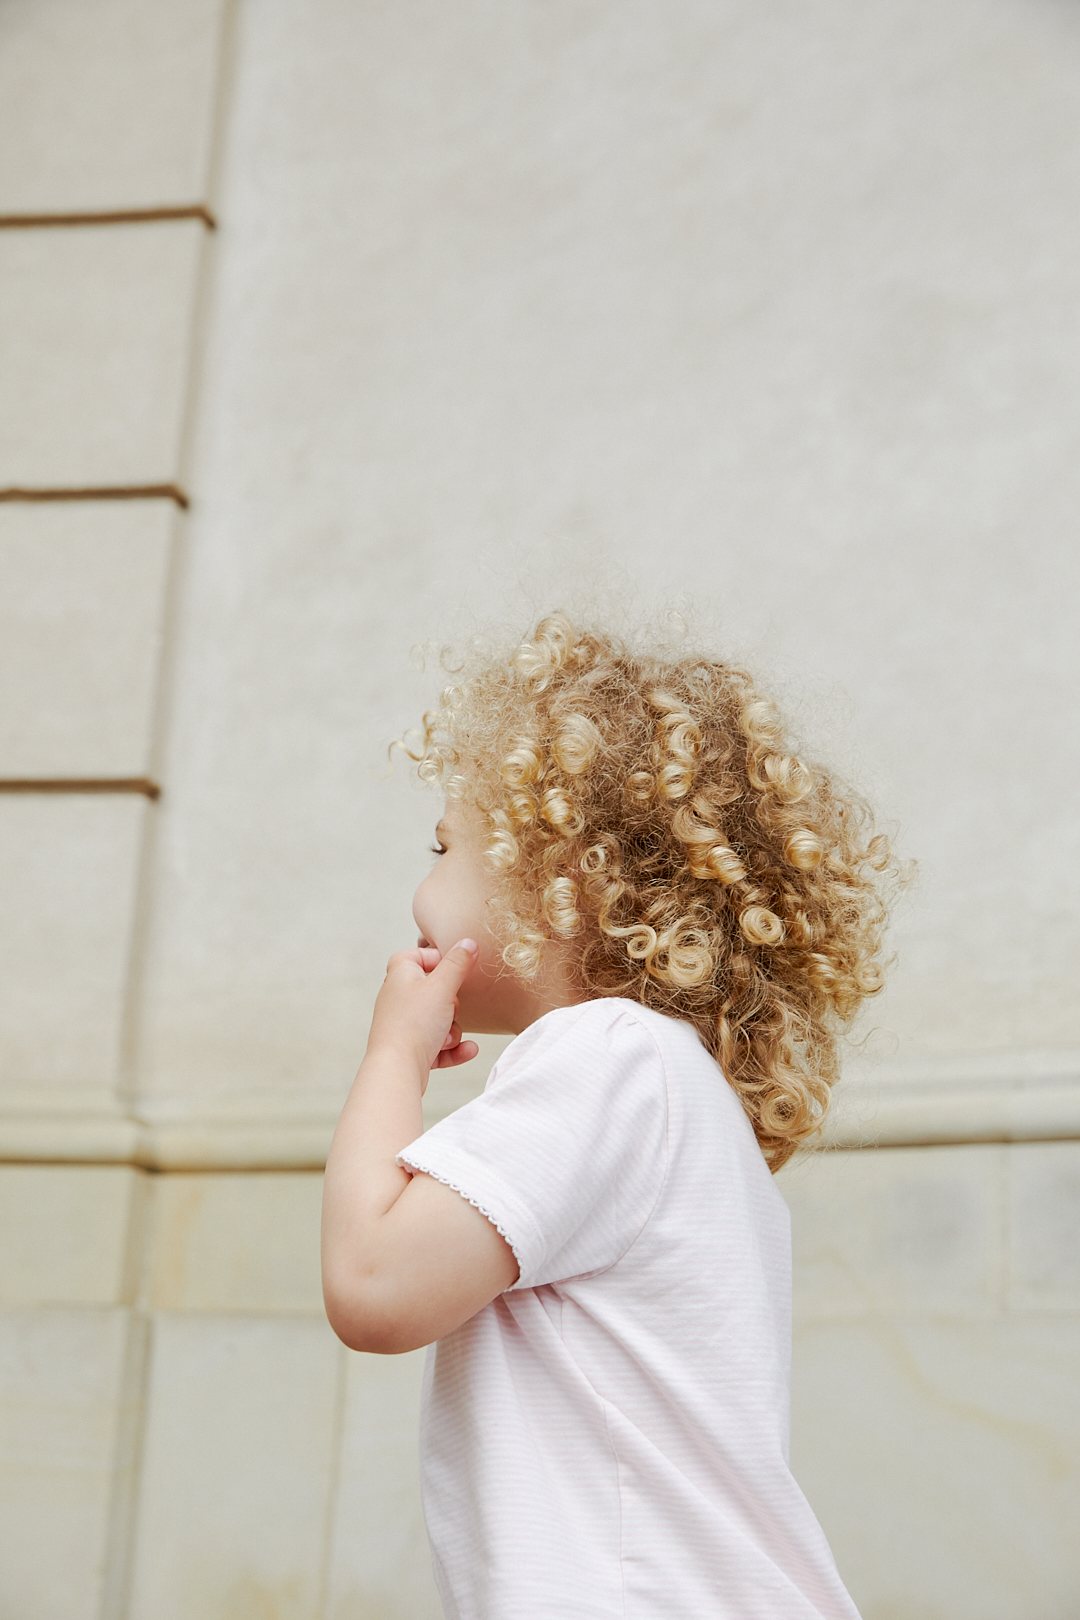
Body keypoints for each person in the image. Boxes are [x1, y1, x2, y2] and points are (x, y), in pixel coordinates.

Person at [322, 608, 917, 1619]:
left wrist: (391, 1058)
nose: (420, 888)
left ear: (558, 875)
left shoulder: (606, 1057)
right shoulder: (665, 1085)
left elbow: (375, 1284)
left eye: (443, 846)